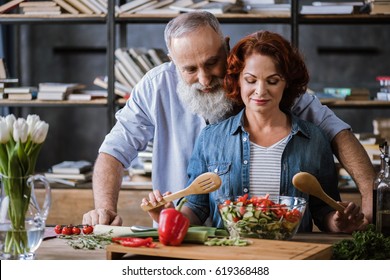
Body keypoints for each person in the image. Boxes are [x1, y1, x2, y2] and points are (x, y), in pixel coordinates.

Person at [83, 11, 374, 226]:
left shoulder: (257, 80)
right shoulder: (155, 86)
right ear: (172, 61)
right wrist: (104, 209)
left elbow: (337, 133)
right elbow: (114, 151)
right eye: (189, 69)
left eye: (212, 63)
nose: (205, 78)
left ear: (226, 47)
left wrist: (372, 204)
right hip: (185, 232)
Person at [144, 30, 366, 233]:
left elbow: (323, 211)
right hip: (228, 259)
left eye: (272, 81)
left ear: (286, 83)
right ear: (237, 80)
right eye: (250, 80)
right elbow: (196, 208)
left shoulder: (314, 139)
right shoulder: (211, 138)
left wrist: (338, 221)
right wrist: (167, 214)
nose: (260, 91)